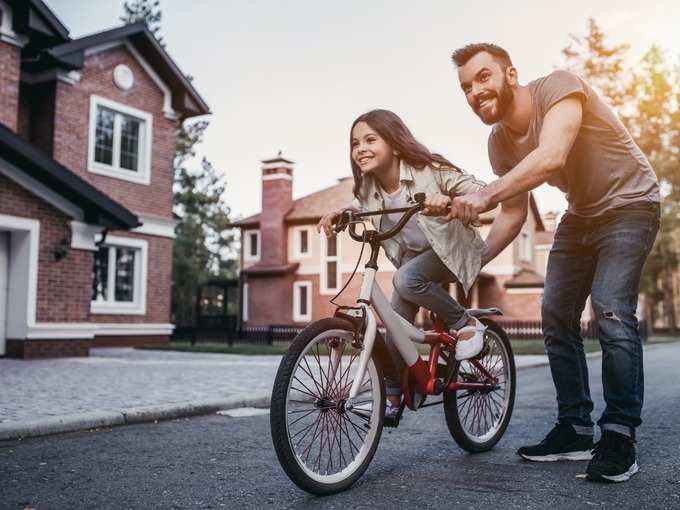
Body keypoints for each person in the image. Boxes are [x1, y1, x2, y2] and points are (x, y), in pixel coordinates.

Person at [448, 43, 660, 482]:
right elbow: (513, 213)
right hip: (581, 213)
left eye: (483, 77)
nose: (474, 92)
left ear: (510, 74)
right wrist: (474, 260)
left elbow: (552, 155)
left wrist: (484, 193)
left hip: (632, 203)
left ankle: (619, 435)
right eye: (466, 86)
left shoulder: (559, 88)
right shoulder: (499, 142)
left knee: (611, 309)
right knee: (555, 314)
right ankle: (576, 428)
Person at [316, 109, 487, 419]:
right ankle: (394, 397)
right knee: (395, 327)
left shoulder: (429, 170)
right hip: (414, 261)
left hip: (452, 252)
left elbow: (479, 189)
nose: (361, 149)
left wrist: (449, 201)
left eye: (370, 139)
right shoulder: (368, 186)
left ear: (394, 144)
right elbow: (360, 205)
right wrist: (339, 213)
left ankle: (466, 323)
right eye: (355, 143)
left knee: (405, 279)